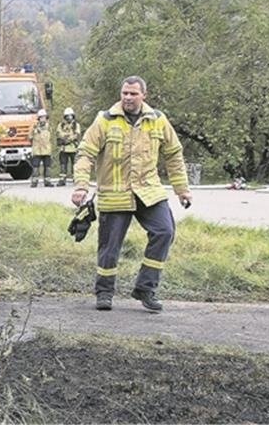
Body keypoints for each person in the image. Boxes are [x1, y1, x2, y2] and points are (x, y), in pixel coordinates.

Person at [72, 76, 191, 313]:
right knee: (110, 246)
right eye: (124, 93)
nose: (127, 97)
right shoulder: (104, 120)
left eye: (133, 94)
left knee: (164, 231)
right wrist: (81, 186)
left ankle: (146, 288)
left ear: (143, 96)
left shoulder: (157, 120)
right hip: (114, 194)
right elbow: (85, 154)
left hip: (149, 191)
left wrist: (182, 190)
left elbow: (174, 154)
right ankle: (104, 292)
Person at [55, 107, 81, 186]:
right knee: (63, 164)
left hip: (73, 148)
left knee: (75, 164)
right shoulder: (61, 125)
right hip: (64, 149)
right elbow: (59, 133)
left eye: (70, 116)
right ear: (65, 117)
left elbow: (77, 134)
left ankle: (75, 178)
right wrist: (65, 136)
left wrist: (68, 139)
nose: (69, 118)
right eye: (67, 116)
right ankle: (62, 179)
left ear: (73, 116)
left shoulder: (76, 125)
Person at [29, 109, 54, 187]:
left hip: (46, 150)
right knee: (36, 167)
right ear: (39, 118)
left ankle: (47, 181)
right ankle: (34, 182)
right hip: (37, 150)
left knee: (47, 166)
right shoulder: (34, 126)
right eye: (41, 117)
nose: (43, 119)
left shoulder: (49, 126)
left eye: (44, 117)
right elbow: (29, 137)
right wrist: (35, 131)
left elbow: (52, 136)